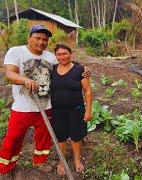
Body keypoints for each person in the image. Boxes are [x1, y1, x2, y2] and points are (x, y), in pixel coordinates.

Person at [0, 25, 89, 175]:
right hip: (23, 107)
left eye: (44, 40)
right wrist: (24, 80)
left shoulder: (50, 57)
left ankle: (39, 162)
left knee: (44, 138)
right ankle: (5, 166)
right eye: (37, 38)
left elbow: (64, 64)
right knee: (14, 137)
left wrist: (82, 69)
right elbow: (9, 74)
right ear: (29, 38)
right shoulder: (16, 52)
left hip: (46, 106)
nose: (41, 42)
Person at [51, 43, 92, 175]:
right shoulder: (52, 69)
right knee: (61, 137)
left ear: (70, 54)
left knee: (76, 136)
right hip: (58, 111)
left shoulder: (80, 70)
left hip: (76, 109)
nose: (62, 57)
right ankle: (62, 161)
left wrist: (88, 110)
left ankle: (76, 160)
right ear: (56, 56)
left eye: (65, 53)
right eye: (59, 54)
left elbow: (87, 91)